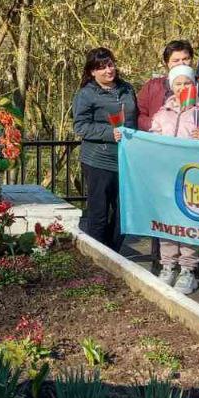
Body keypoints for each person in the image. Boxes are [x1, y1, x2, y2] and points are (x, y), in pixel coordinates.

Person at [149, 64, 199, 294]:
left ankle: (188, 269)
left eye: (187, 83)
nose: (183, 87)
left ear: (194, 85)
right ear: (171, 86)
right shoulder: (162, 113)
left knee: (188, 221)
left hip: (192, 177)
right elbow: (152, 139)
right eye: (178, 83)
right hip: (167, 175)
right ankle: (168, 265)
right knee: (168, 221)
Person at [71, 47, 138, 252]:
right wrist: (109, 133)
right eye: (101, 67)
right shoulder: (86, 94)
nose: (109, 70)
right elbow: (80, 126)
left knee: (124, 214)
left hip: (126, 160)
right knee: (99, 213)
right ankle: (97, 256)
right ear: (92, 71)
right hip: (98, 160)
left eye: (110, 64)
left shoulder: (127, 89)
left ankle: (113, 252)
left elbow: (136, 118)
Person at [138, 39, 194, 131]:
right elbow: (140, 114)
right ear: (167, 63)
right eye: (176, 60)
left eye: (185, 59)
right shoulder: (152, 86)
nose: (181, 63)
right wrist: (155, 126)